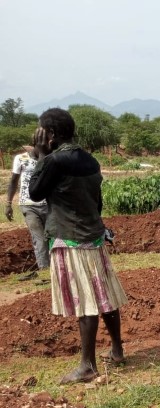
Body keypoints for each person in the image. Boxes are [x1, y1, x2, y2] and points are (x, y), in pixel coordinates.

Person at [28, 108, 128, 384]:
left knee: (86, 301)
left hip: (71, 238)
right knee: (104, 296)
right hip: (93, 236)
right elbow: (97, 203)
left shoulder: (55, 161)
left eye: (41, 131)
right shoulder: (90, 160)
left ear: (49, 134)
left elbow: (34, 193)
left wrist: (41, 155)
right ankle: (117, 350)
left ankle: (88, 366)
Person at [7, 142, 50, 273]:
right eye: (42, 148)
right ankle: (45, 271)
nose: (44, 150)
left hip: (49, 205)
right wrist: (8, 203)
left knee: (53, 237)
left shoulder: (49, 159)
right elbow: (14, 180)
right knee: (40, 240)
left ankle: (57, 267)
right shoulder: (21, 159)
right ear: (35, 145)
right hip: (28, 205)